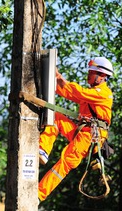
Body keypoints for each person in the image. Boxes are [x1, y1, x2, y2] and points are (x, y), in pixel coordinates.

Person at [38, 57, 114, 202]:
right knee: (54, 116)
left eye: (92, 73)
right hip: (81, 132)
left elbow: (78, 92)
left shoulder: (103, 93)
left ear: (102, 76)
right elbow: (69, 92)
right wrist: (53, 79)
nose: (88, 75)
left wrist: (58, 76)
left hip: (90, 137)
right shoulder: (92, 94)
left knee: (65, 163)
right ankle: (43, 149)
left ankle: (39, 194)